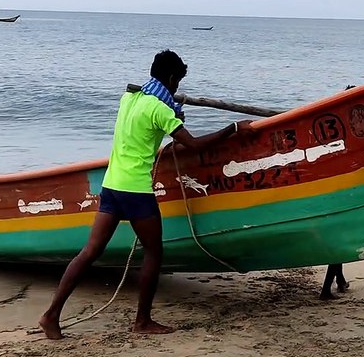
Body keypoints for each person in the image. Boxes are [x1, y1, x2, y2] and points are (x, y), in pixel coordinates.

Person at [39, 50, 250, 339]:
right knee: (153, 252)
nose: (176, 88)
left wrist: (172, 117)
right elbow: (193, 145)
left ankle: (51, 315)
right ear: (172, 79)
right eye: (177, 83)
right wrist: (233, 128)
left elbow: (149, 126)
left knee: (90, 252)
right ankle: (142, 321)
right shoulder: (160, 110)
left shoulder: (129, 98)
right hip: (136, 190)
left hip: (111, 185)